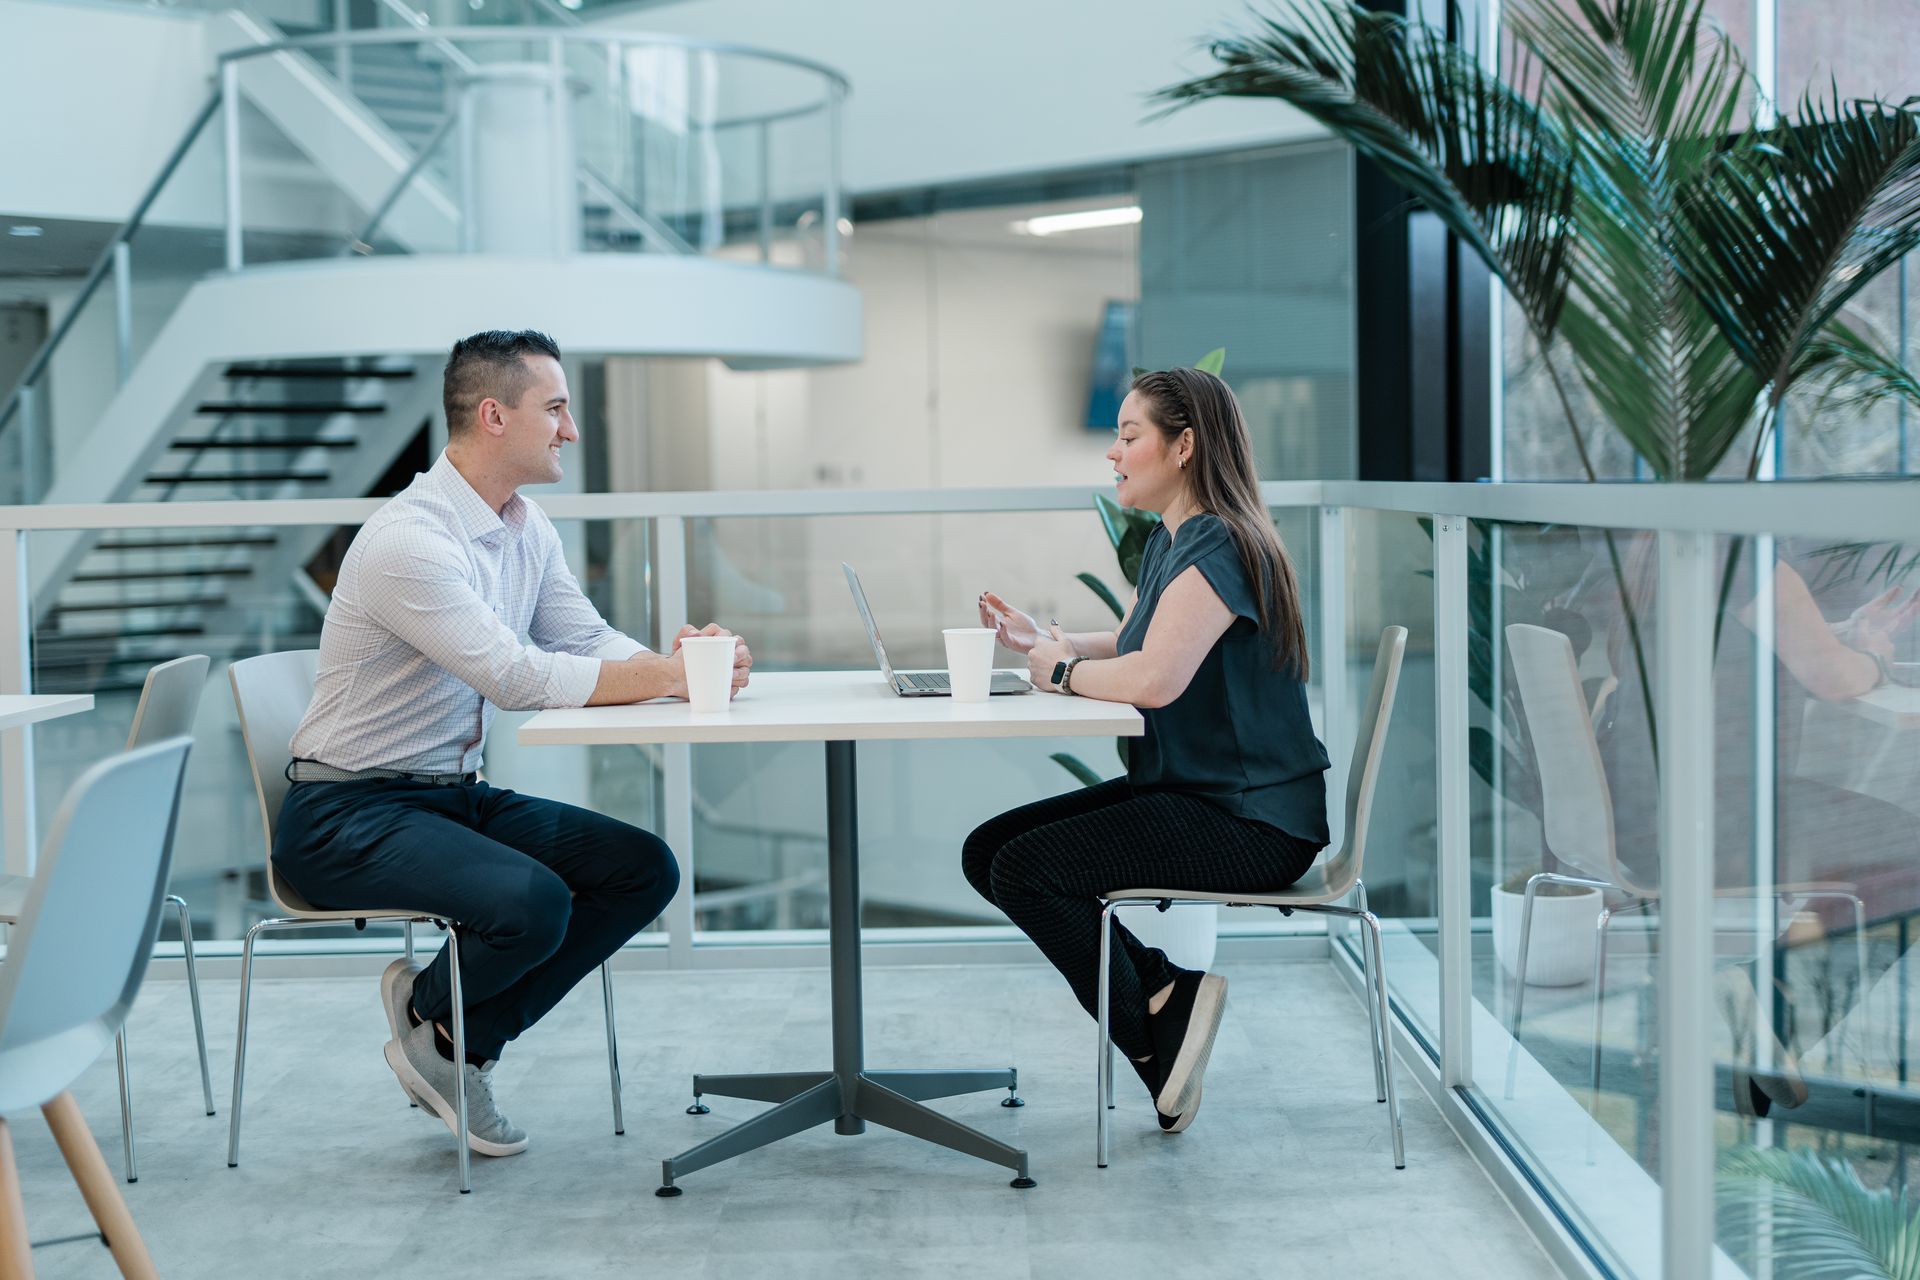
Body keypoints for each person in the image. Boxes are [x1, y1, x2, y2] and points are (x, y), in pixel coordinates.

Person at [273, 330, 751, 1157]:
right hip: (344, 814)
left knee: (643, 870)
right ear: (494, 416)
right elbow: (513, 675)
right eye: (557, 409)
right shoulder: (408, 543)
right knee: (534, 904)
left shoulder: (523, 526)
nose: (571, 430)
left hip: (449, 796)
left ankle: (449, 1038)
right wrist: (669, 676)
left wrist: (678, 665)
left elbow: (583, 636)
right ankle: (443, 1022)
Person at [961, 367, 1330, 1133]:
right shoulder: (1177, 539)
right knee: (988, 851)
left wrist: (1061, 672)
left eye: (1130, 436)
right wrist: (1046, 639)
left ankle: (1156, 1034)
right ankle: (1164, 994)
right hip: (1200, 796)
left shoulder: (1219, 544)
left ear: (1185, 445)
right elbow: (1139, 642)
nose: (1114, 454)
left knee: (1026, 871)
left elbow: (1156, 678)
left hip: (1249, 822)